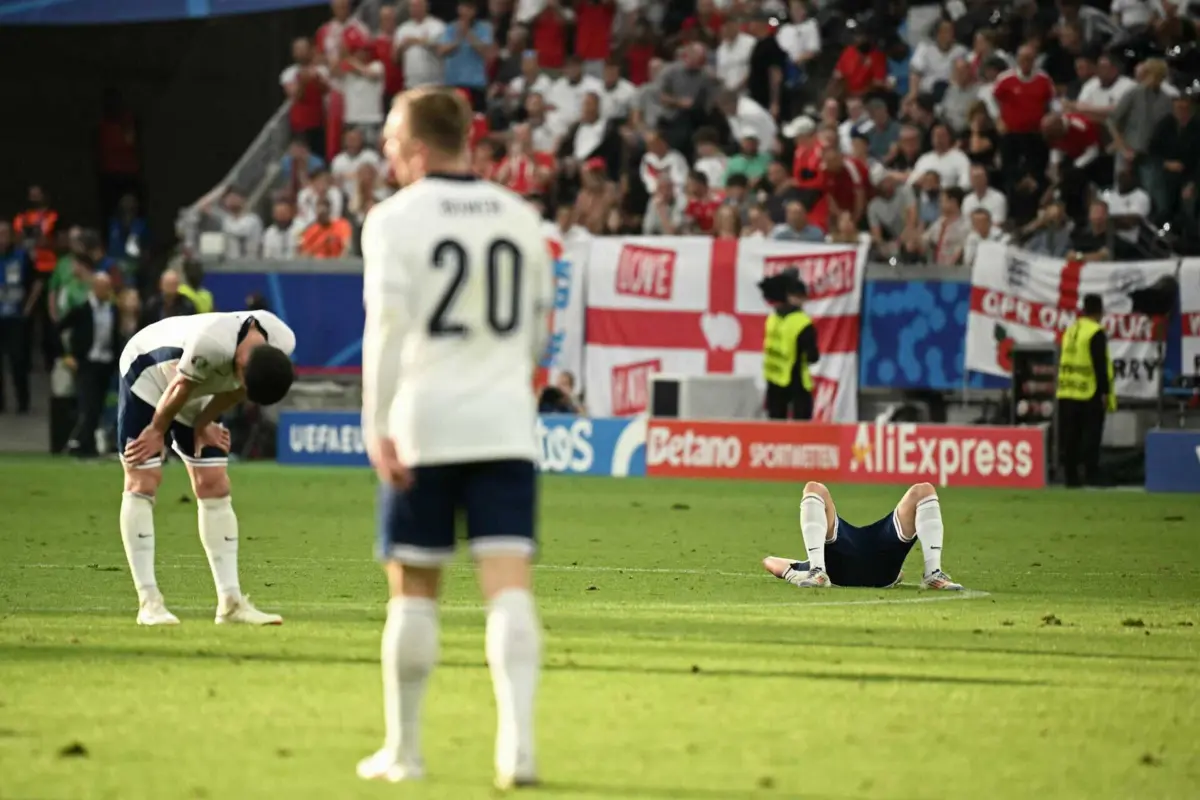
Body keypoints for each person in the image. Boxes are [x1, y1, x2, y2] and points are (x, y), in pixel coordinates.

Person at [356, 87, 553, 790]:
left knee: (413, 588)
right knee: (509, 588)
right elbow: (539, 333)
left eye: (390, 139)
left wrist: (376, 425)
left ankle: (404, 753)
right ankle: (519, 750)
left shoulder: (392, 219)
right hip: (504, 424)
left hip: (426, 424)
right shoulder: (521, 216)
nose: (385, 151)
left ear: (415, 147)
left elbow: (385, 330)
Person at [117, 310, 297, 625]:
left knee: (214, 483)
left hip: (198, 383)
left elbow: (237, 390)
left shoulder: (282, 342)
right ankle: (149, 603)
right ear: (240, 363)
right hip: (150, 374)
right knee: (144, 480)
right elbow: (180, 387)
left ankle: (230, 604)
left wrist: (203, 423)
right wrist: (157, 430)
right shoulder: (213, 343)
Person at [762, 481, 963, 589]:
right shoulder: (890, 572)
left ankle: (817, 571)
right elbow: (771, 563)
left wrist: (794, 573)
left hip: (844, 562)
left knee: (814, 488)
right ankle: (933, 573)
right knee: (924, 490)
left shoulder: (808, 565)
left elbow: (770, 561)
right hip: (883, 564)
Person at [58, 272, 119, 457]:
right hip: (86, 363)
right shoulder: (81, 310)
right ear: (94, 288)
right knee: (89, 405)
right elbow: (57, 329)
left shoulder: (113, 310)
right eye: (102, 287)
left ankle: (87, 445)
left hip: (106, 363)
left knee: (99, 406)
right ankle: (85, 446)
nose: (105, 291)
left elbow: (115, 335)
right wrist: (65, 355)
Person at [1056, 293, 1113, 488]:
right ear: (1099, 311)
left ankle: (1070, 477)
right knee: (1091, 435)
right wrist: (1104, 391)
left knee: (1070, 436)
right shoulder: (1095, 332)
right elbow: (1100, 364)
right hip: (1088, 391)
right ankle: (1091, 474)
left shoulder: (1070, 331)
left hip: (1067, 390)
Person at [760, 269, 818, 421]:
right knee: (802, 428)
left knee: (775, 426)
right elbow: (813, 357)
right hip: (796, 380)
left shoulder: (772, 319)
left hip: (774, 378)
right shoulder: (802, 322)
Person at [0, 222, 39, 414]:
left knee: (18, 360)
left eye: (4, 234)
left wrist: (28, 308)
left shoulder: (21, 256)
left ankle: (23, 401)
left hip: (16, 317)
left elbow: (37, 283)